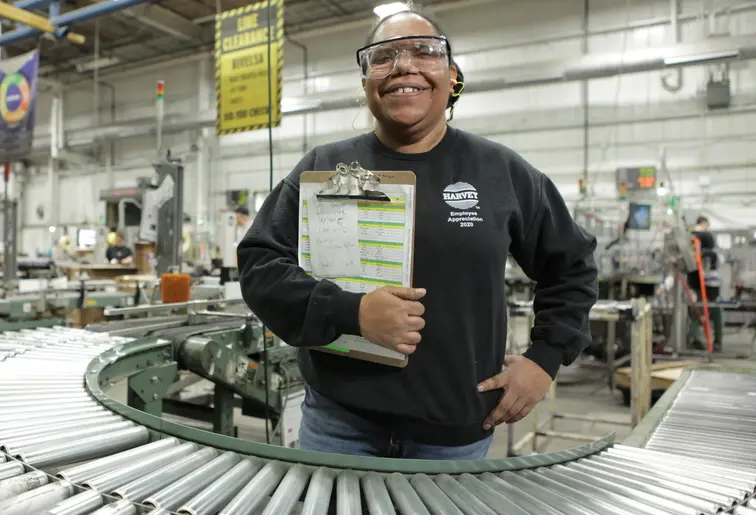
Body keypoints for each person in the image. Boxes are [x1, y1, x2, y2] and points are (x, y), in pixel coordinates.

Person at [237, 8, 598, 460]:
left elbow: (572, 265)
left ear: (452, 78)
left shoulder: (500, 173)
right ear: (367, 82)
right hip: (338, 425)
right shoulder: (323, 169)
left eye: (424, 52)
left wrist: (545, 359)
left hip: (452, 437)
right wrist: (353, 312)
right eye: (383, 56)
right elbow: (259, 267)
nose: (404, 66)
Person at [687, 216, 722, 351]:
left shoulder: (705, 253)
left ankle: (696, 338)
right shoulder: (706, 245)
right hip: (707, 285)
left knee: (700, 311)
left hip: (703, 284)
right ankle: (710, 340)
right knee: (707, 311)